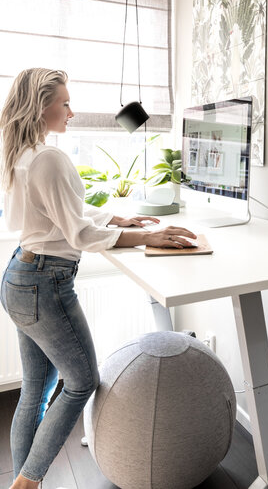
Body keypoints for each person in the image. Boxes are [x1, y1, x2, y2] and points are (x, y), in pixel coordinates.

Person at [0, 68, 196, 489]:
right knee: (82, 381)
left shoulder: (24, 153)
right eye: (65, 103)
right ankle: (27, 482)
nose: (72, 112)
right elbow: (79, 234)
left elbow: (62, 213)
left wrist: (117, 217)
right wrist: (148, 234)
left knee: (35, 389)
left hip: (21, 277)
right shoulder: (49, 158)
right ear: (42, 106)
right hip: (44, 283)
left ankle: (21, 481)